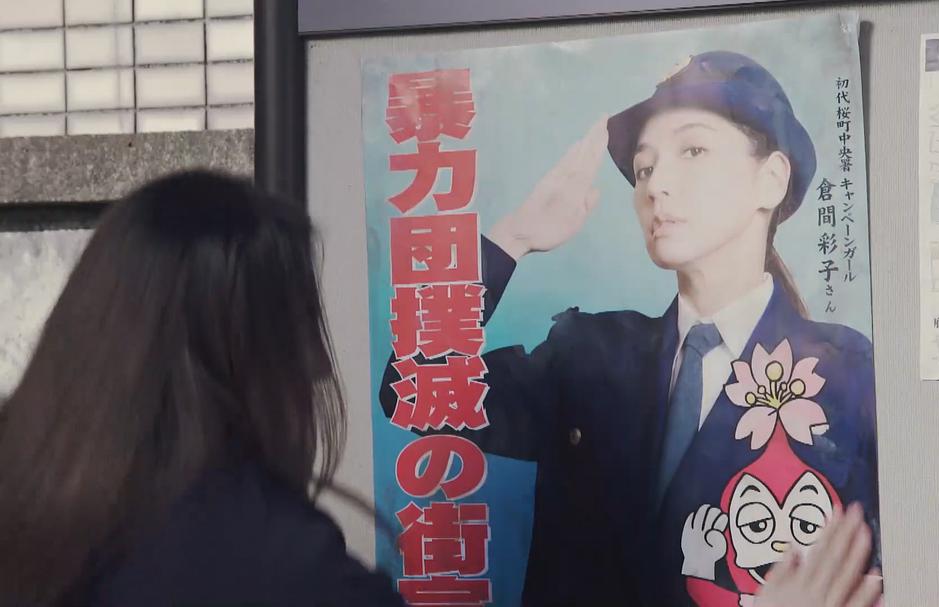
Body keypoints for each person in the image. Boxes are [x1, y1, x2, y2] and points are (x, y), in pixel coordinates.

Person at [380, 51, 879, 606]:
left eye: (693, 151)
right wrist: (513, 237)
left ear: (771, 179)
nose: (656, 185)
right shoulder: (587, 356)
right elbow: (413, 391)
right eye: (644, 168)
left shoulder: (846, 373)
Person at [0, 171, 404, 607]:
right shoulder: (287, 570)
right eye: (299, 328)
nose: (320, 366)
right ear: (239, 349)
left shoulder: (30, 506)